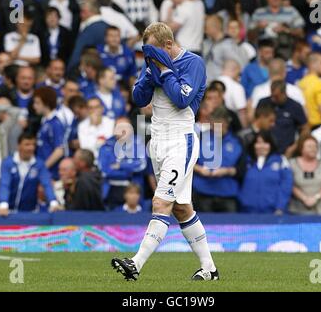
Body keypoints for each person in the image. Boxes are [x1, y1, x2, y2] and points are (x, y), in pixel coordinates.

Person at [112, 22, 219, 281]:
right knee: (182, 208)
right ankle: (210, 269)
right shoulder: (152, 64)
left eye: (154, 51)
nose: (150, 56)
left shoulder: (193, 63)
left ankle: (135, 263)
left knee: (161, 202)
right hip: (158, 141)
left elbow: (182, 99)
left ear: (168, 45)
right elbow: (138, 99)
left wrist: (164, 69)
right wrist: (150, 73)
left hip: (180, 141)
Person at [0, 132, 61, 216]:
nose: (30, 148)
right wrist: (3, 204)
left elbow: (47, 184)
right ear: (19, 146)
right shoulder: (8, 163)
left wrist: (53, 202)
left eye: (33, 145)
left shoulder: (39, 164)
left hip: (30, 213)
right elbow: (5, 184)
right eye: (27, 144)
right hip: (9, 212)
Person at [193, 106, 243, 213]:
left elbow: (242, 168)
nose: (215, 127)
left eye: (219, 123)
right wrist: (199, 169)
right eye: (213, 123)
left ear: (227, 122)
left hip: (228, 194)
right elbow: (187, 162)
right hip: (202, 193)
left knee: (231, 229)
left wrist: (227, 171)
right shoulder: (200, 138)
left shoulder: (237, 141)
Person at [238, 130, 293, 214]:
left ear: (271, 144)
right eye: (258, 143)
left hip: (273, 212)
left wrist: (280, 207)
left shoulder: (281, 161)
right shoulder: (246, 161)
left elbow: (286, 186)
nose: (261, 146)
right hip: (247, 212)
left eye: (265, 143)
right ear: (253, 145)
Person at [99, 117, 146, 210]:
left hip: (132, 185)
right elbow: (105, 170)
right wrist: (129, 170)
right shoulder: (106, 145)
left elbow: (141, 165)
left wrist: (120, 165)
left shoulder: (138, 143)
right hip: (111, 187)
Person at [258, 80, 309, 157]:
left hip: (286, 152)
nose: (273, 99)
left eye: (276, 96)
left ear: (284, 93)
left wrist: (293, 147)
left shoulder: (295, 107)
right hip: (265, 150)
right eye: (272, 96)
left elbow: (305, 128)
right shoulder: (264, 103)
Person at [289, 136, 321, 215]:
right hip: (297, 209)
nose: (313, 149)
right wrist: (304, 198)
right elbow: (290, 184)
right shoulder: (292, 164)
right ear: (301, 148)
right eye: (309, 146)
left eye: (315, 146)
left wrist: (316, 198)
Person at [67, 0, 109, 72]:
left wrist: (69, 72)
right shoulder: (108, 27)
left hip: (93, 72)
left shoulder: (90, 30)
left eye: (82, 12)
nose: (80, 15)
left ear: (87, 11)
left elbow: (76, 55)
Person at [33, 86, 65, 180]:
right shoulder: (45, 121)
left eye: (37, 103)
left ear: (46, 103)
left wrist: (43, 168)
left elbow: (59, 151)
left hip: (52, 174)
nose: (34, 106)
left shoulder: (55, 123)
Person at [203, 14, 243, 83]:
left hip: (220, 86)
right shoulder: (208, 43)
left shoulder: (228, 44)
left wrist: (225, 82)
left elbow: (237, 66)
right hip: (208, 85)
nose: (204, 31)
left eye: (206, 28)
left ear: (215, 27)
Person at [298, 52, 321, 129]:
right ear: (313, 64)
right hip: (320, 126)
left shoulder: (300, 83)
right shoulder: (320, 84)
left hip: (304, 127)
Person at [217, 59, 247, 127]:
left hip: (210, 125)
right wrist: (244, 132)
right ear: (234, 70)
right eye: (239, 74)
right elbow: (242, 113)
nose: (240, 78)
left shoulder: (211, 84)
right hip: (228, 127)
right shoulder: (237, 87)